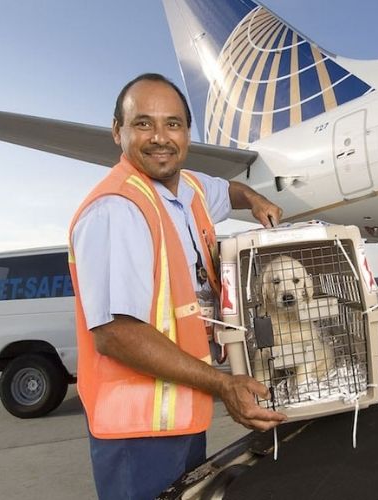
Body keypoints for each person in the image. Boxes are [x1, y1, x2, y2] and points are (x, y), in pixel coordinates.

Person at [68, 73, 287, 500]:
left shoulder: (189, 189)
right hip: (138, 433)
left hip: (183, 414)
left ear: (187, 133)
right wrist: (224, 385)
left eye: (172, 124)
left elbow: (233, 191)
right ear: (118, 132)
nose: (159, 138)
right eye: (143, 123)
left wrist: (256, 201)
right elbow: (117, 335)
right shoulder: (118, 210)